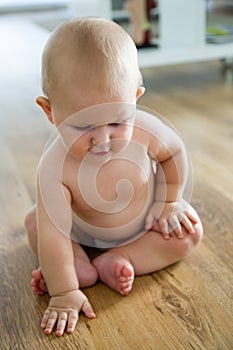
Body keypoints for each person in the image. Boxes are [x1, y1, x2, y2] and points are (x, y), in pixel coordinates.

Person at [25, 17, 203, 337]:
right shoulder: (53, 168)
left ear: (135, 96)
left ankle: (121, 258)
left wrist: (168, 201)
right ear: (49, 111)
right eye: (83, 126)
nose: (103, 140)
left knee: (190, 230)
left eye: (118, 121)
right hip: (78, 231)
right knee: (37, 223)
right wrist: (64, 293)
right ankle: (76, 263)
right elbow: (54, 234)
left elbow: (172, 152)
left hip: (144, 226)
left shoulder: (147, 130)